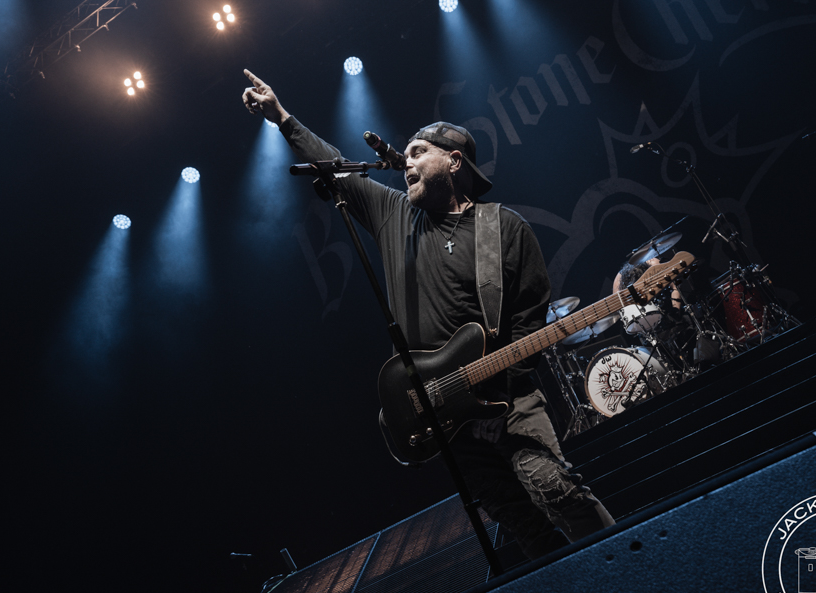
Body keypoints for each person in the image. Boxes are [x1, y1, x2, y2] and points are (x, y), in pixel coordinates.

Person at [241, 69, 614, 560]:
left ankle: (629, 561)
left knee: (555, 489)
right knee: (520, 523)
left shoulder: (504, 227)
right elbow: (333, 165)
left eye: (419, 152)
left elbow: (529, 319)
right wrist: (282, 117)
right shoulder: (395, 215)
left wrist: (493, 392)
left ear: (454, 161)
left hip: (508, 401)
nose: (407, 163)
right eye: (406, 156)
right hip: (444, 414)